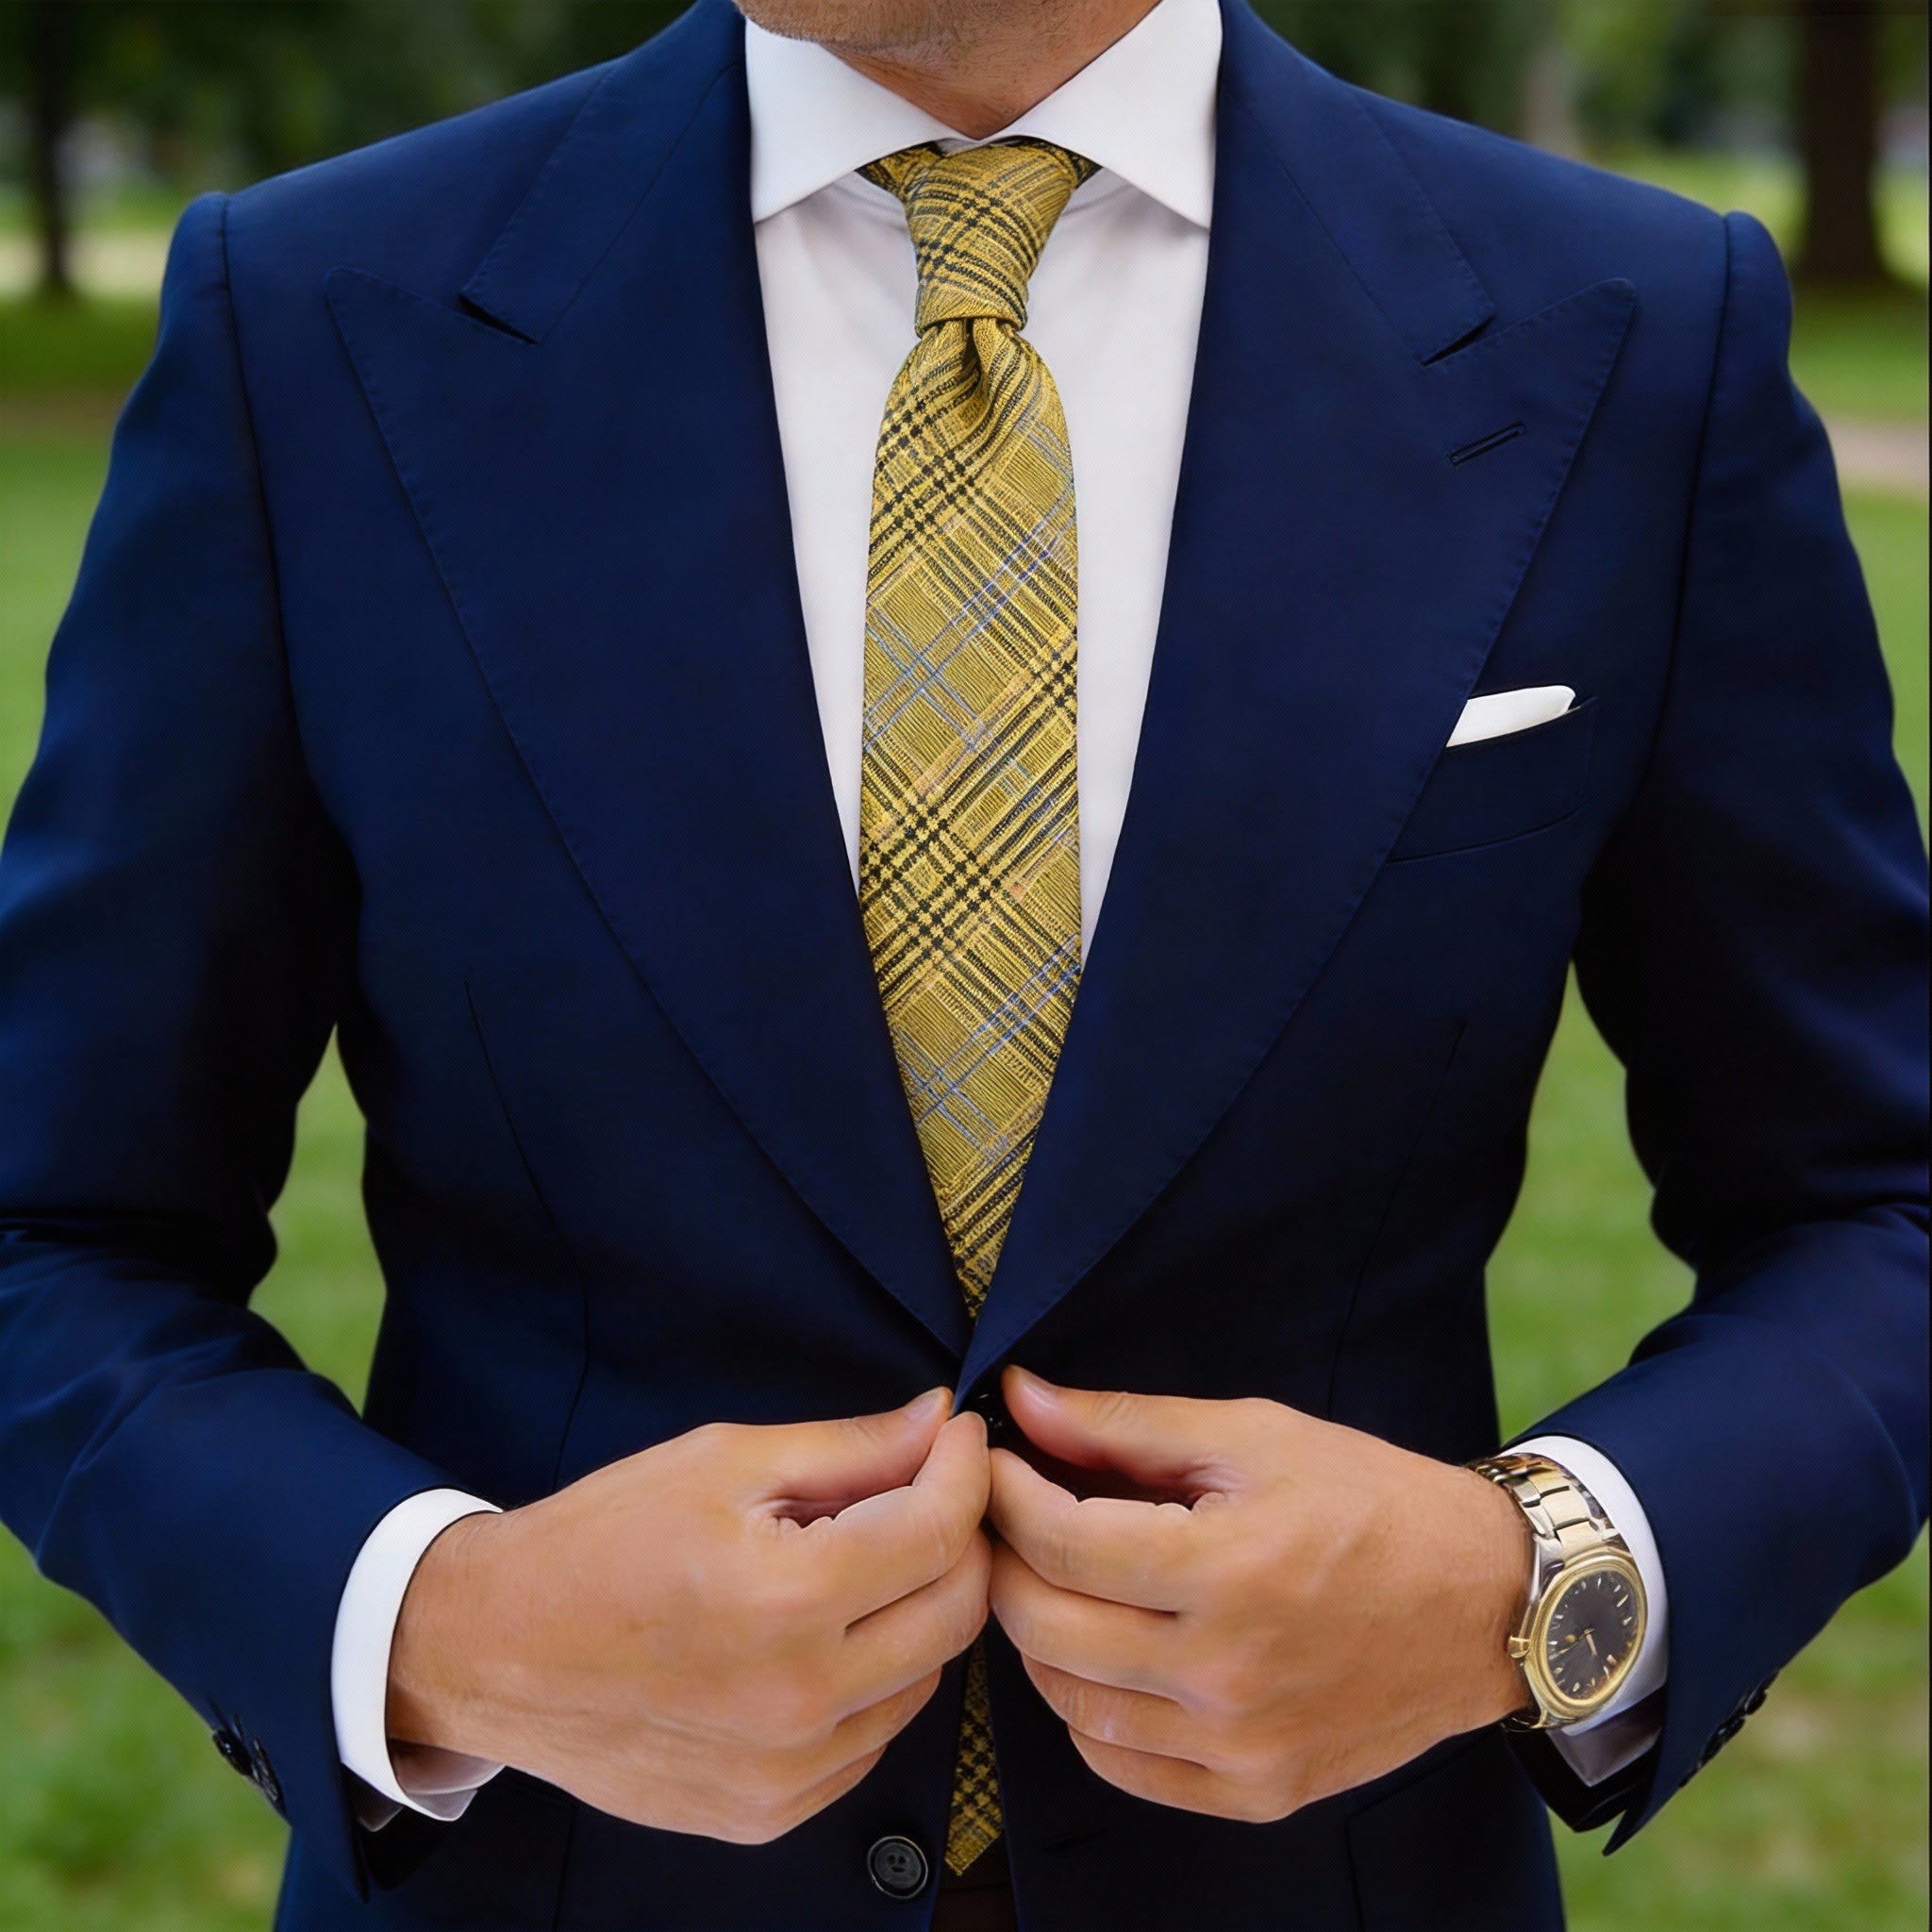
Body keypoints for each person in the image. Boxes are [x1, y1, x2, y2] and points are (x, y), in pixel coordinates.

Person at [0, 0, 1924, 1924]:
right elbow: (56, 1225)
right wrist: (443, 1623)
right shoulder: (315, 317)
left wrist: (1537, 1586)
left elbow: (1873, 1200)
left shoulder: (1629, 330)